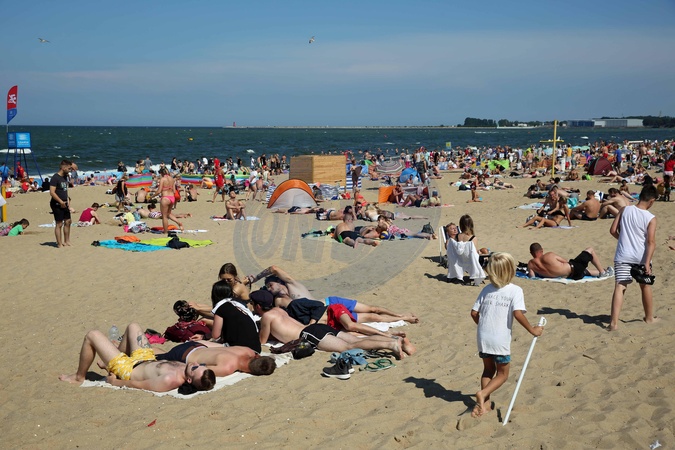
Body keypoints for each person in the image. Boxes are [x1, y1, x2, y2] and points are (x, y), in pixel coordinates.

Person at [470, 252, 544, 418]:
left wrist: (483, 326)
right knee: (503, 374)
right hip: (499, 339)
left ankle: (485, 405)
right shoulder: (515, 290)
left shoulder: (486, 289)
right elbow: (518, 314)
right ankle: (483, 394)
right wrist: (532, 329)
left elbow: (474, 313)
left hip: (483, 336)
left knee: (488, 370)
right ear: (510, 271)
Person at [250, 290, 416, 359]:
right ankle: (396, 340)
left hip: (309, 334)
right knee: (354, 339)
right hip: (318, 328)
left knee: (349, 346)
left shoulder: (267, 317)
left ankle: (392, 345)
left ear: (258, 306)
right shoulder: (279, 310)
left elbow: (262, 341)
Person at [59, 323, 215, 393]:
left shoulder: (169, 380)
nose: (195, 363)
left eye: (195, 367)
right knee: (133, 326)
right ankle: (112, 355)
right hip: (146, 358)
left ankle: (79, 377)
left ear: (189, 380)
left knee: (92, 335)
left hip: (128, 369)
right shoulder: (188, 369)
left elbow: (139, 385)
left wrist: (114, 382)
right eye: (201, 364)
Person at [247, 265, 417, 324]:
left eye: (270, 285)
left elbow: (274, 268)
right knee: (372, 317)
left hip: (331, 301)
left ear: (278, 281)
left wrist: (256, 277)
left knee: (372, 308)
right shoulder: (278, 301)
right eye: (267, 288)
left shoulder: (292, 285)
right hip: (328, 312)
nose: (269, 289)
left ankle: (400, 315)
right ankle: (404, 318)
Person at [608, 184, 658, 331]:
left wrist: (623, 240)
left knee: (620, 286)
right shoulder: (650, 218)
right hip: (641, 257)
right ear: (651, 201)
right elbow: (651, 242)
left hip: (623, 254)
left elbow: (613, 230)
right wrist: (647, 263)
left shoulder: (624, 210)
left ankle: (613, 323)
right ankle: (649, 318)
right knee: (645, 285)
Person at [155, 342, 276, 377]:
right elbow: (198, 368)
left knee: (164, 354)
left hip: (197, 345)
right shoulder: (227, 368)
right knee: (154, 358)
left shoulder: (247, 351)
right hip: (183, 355)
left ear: (257, 356)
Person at [210, 280, 261, 352]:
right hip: (256, 348)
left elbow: (215, 335)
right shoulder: (237, 304)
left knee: (200, 345)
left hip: (239, 349)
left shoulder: (221, 308)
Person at [527, 242, 612, 279]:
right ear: (542, 250)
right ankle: (602, 272)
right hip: (573, 269)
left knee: (584, 270)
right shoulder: (549, 255)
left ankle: (605, 271)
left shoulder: (530, 264)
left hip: (571, 276)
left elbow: (532, 277)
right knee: (590, 250)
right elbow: (565, 261)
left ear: (531, 253)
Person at [49, 159, 75, 248]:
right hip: (57, 203)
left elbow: (64, 190)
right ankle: (59, 243)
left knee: (68, 221)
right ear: (63, 167)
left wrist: (67, 201)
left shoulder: (65, 177)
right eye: (69, 168)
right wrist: (60, 202)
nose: (70, 170)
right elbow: (52, 192)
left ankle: (67, 241)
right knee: (59, 224)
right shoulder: (55, 177)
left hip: (65, 202)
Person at [157, 167, 183, 232]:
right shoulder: (172, 179)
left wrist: (152, 196)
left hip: (165, 198)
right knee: (168, 214)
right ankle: (179, 223)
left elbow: (159, 191)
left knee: (164, 216)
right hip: (172, 198)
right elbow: (174, 191)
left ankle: (165, 232)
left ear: (162, 173)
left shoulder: (162, 179)